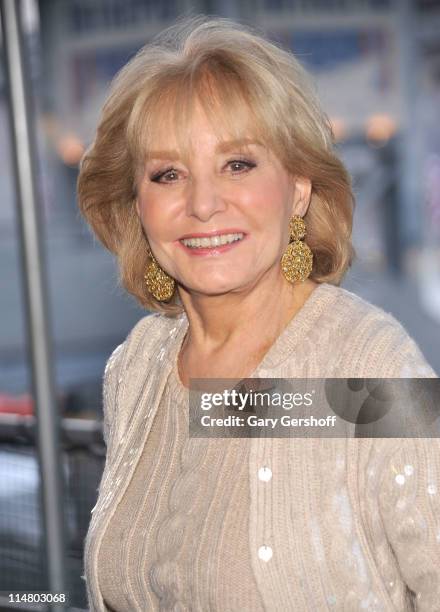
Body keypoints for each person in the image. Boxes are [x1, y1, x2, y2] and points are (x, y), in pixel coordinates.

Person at [78, 15, 440, 612]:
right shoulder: (138, 366)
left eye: (237, 164)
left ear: (298, 188)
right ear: (136, 205)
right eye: (168, 174)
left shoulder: (367, 363)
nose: (202, 203)